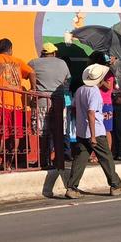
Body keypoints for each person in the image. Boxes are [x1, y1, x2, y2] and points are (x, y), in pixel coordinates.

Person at [65, 64, 121, 199]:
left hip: (82, 131)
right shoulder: (94, 91)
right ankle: (116, 185)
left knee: (80, 159)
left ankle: (71, 187)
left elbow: (75, 107)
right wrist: (93, 135)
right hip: (95, 131)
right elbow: (91, 113)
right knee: (106, 158)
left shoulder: (80, 90)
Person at [0, 38, 37, 171]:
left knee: (0, 134)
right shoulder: (18, 61)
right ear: (11, 49)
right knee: (16, 134)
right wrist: (33, 88)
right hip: (17, 103)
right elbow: (32, 72)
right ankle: (8, 164)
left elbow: (2, 66)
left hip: (2, 102)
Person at [28, 42, 71, 170]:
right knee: (57, 132)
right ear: (54, 53)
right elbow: (67, 79)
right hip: (58, 101)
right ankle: (57, 160)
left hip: (41, 101)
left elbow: (26, 72)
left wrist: (33, 86)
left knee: (42, 133)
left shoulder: (34, 63)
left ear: (43, 53)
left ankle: (43, 160)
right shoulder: (62, 63)